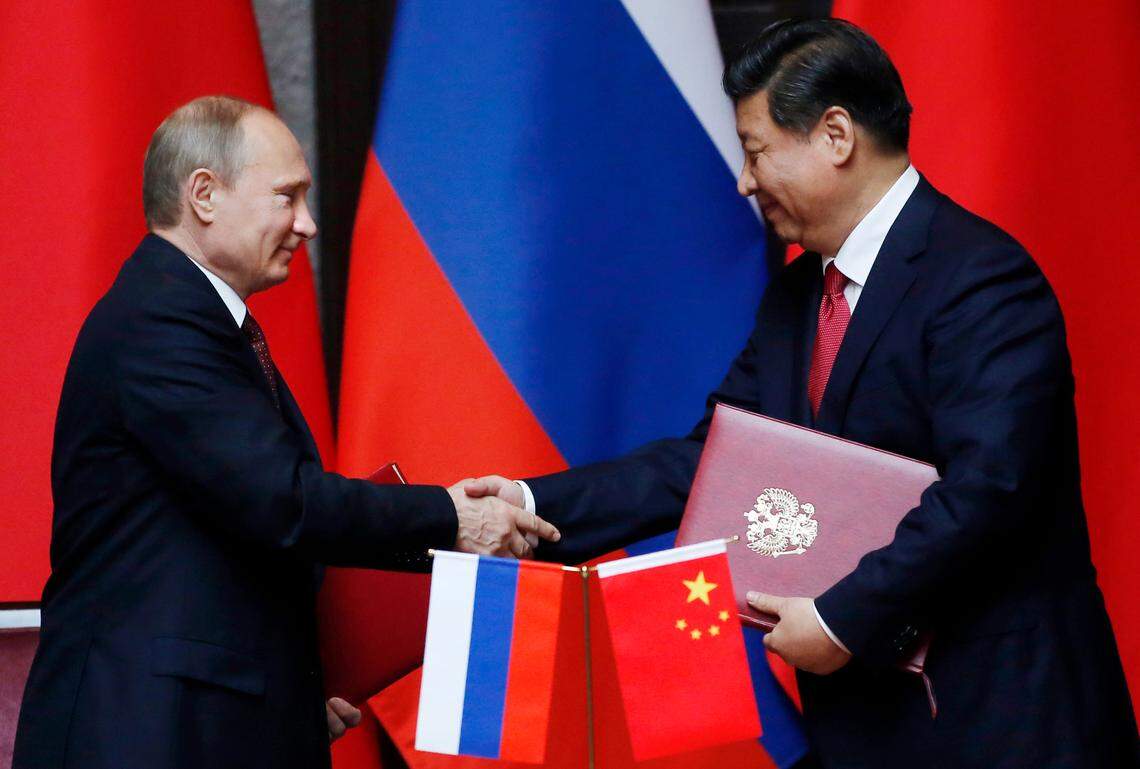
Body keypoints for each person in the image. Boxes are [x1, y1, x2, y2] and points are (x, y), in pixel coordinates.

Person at [464, 19, 1137, 768]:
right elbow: (710, 462)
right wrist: (528, 504)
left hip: (1003, 717)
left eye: (756, 152)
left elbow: (987, 489)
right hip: (866, 722)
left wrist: (840, 618)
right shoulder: (796, 296)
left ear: (836, 135)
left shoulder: (981, 278)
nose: (744, 181)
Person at [13, 96, 559, 769]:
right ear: (205, 195)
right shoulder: (161, 322)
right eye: (287, 197)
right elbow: (283, 500)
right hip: (148, 731)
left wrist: (288, 683)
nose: (308, 223)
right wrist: (451, 516)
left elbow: (229, 536)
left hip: (208, 721)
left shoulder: (195, 316)